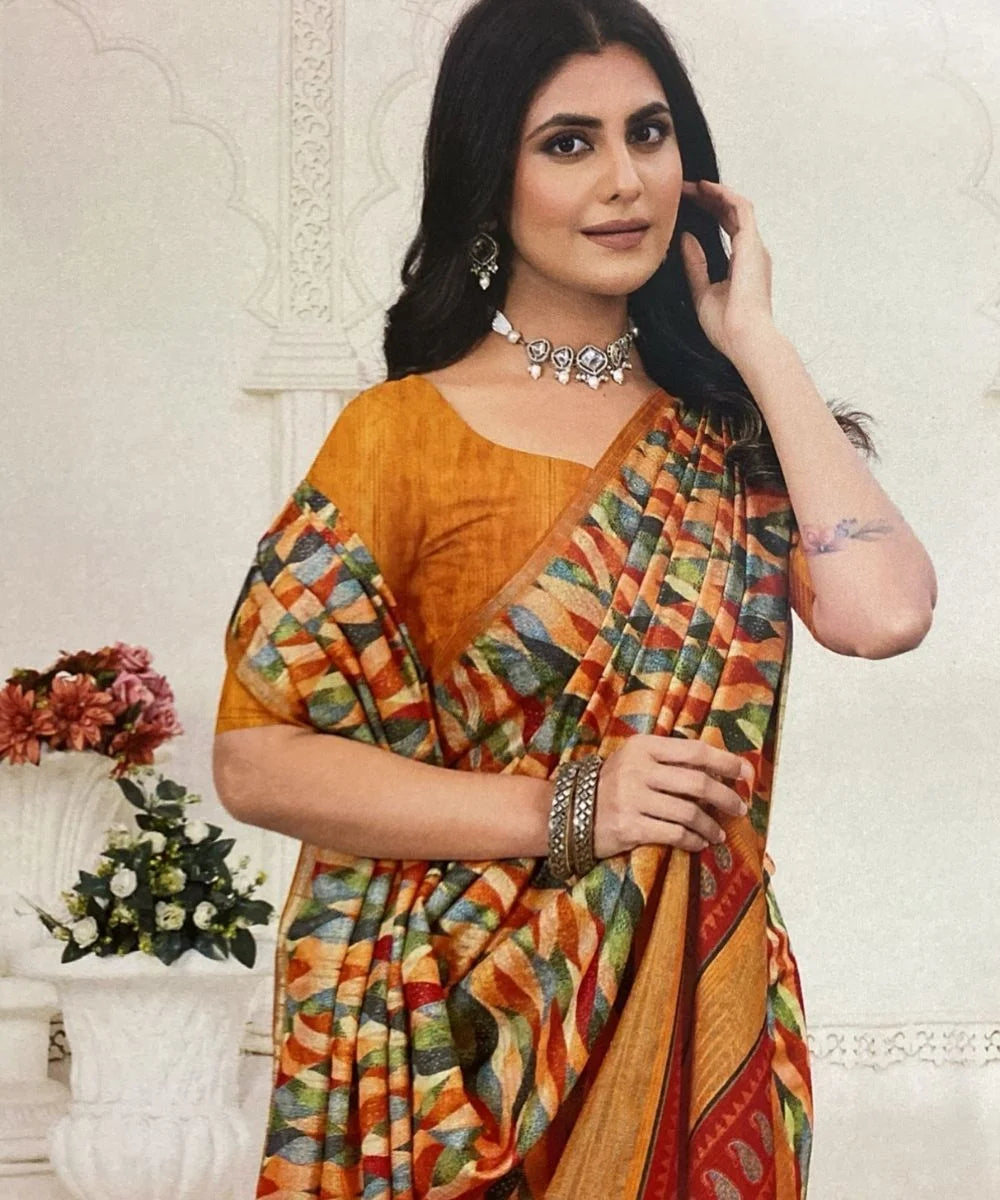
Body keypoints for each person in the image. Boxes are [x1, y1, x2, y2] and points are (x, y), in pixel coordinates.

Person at [213, 1, 937, 1196]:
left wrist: (755, 342)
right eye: (568, 142)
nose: (623, 180)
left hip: (684, 1010)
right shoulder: (398, 436)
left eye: (647, 133)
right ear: (488, 173)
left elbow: (882, 613)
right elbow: (258, 761)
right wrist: (566, 808)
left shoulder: (729, 439)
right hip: (441, 1046)